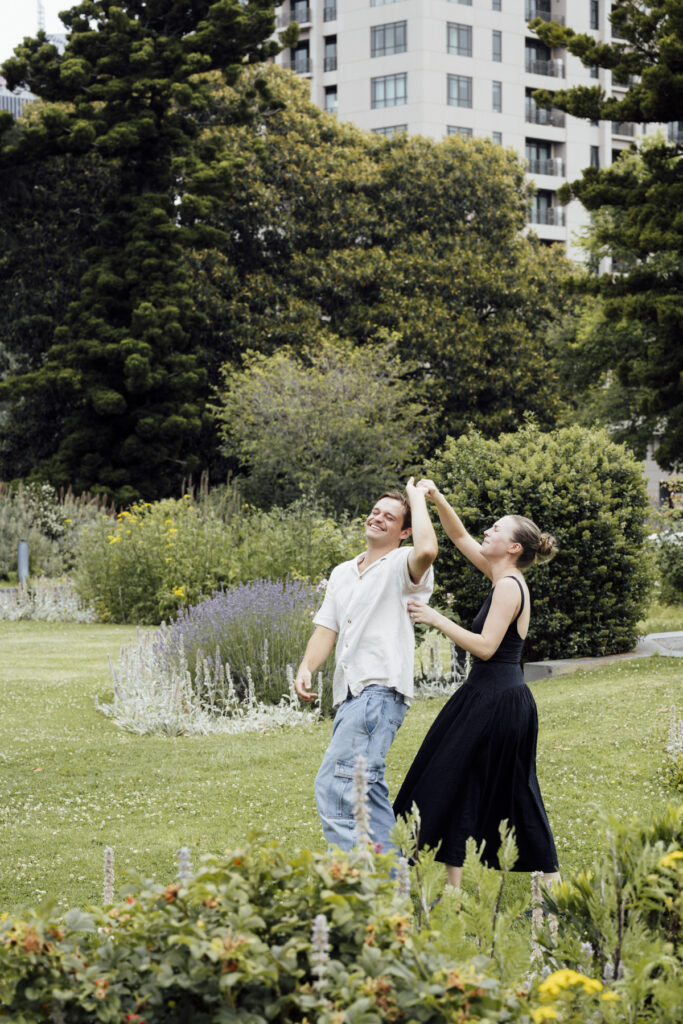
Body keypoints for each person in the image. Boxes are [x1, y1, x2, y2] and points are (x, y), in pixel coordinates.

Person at [393, 480, 560, 889]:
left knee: (508, 794)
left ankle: (551, 888)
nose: (488, 531)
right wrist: (435, 498)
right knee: (457, 780)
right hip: (484, 697)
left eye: (497, 529)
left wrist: (436, 619)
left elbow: (486, 647)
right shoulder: (498, 573)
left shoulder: (507, 586)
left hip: (498, 702)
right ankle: (451, 892)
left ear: (514, 548)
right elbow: (459, 535)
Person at [295, 479, 437, 853]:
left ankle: (353, 883)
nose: (377, 518)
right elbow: (327, 627)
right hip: (350, 697)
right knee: (367, 792)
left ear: (404, 531)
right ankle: (395, 892)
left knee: (338, 787)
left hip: (379, 692)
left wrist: (418, 499)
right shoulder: (343, 572)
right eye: (375, 512)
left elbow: (427, 549)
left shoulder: (402, 565)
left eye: (389, 517)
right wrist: (307, 665)